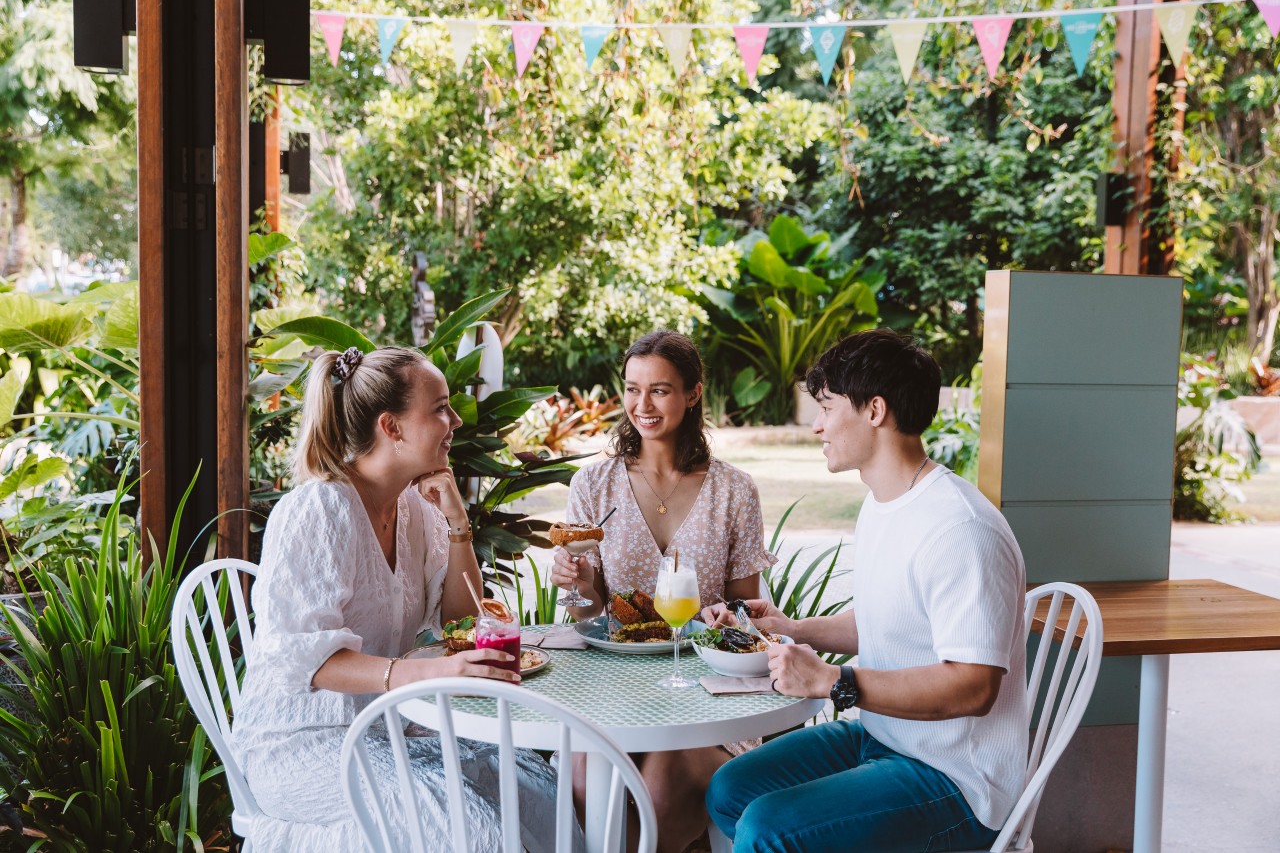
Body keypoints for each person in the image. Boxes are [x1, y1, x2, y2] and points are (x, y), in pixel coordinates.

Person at [233, 346, 572, 852]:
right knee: (470, 824)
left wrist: (458, 526)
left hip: (387, 728)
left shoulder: (413, 508)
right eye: (439, 408)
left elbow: (460, 619)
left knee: (530, 786)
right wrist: (424, 674)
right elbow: (304, 659)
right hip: (302, 743)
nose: (455, 420)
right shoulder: (318, 510)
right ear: (391, 427)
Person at [701, 329, 1028, 853]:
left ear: (874, 410)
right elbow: (889, 619)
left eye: (827, 407)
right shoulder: (884, 503)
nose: (815, 425)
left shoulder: (960, 529)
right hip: (886, 737)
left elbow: (974, 686)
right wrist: (790, 629)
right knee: (730, 789)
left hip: (957, 781)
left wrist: (836, 680)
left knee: (768, 828)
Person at [550, 330, 776, 853]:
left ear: (693, 393)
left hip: (703, 684)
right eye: (632, 389)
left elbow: (746, 610)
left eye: (660, 390)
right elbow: (590, 611)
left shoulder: (734, 490)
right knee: (585, 778)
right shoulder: (594, 485)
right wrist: (580, 584)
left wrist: (730, 618)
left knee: (660, 792)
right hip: (613, 685)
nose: (641, 405)